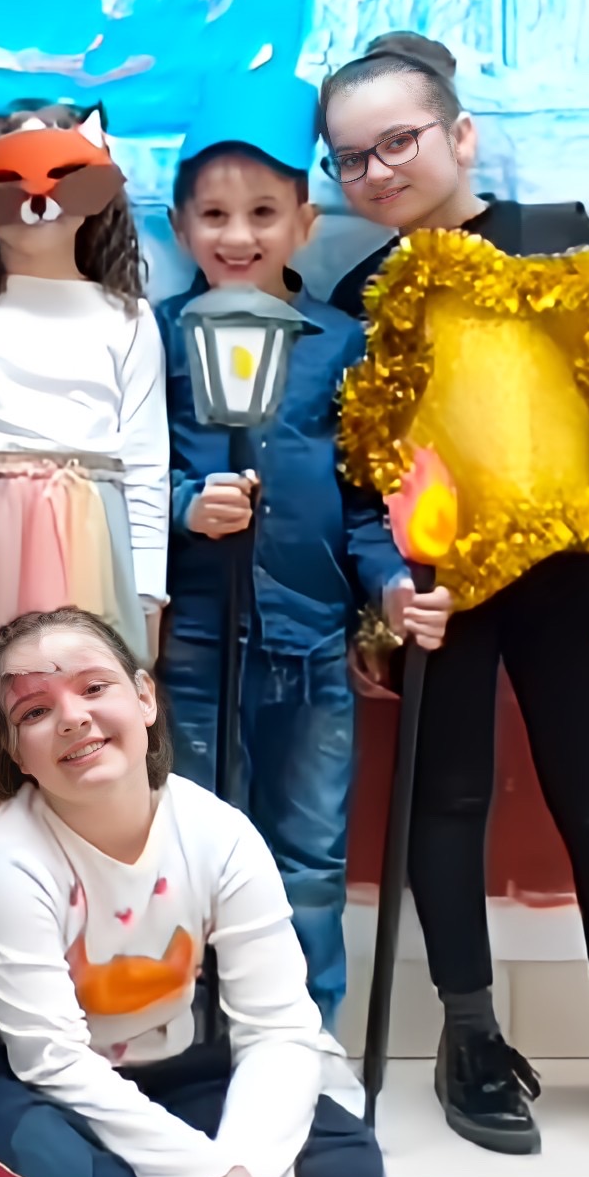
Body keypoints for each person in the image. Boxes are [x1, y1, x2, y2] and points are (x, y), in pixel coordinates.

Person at [322, 31, 589, 1157]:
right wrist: (378, 605)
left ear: (461, 134)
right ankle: (471, 1037)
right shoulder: (361, 296)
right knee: (443, 801)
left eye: (398, 141)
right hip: (441, 594)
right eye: (350, 158)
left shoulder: (560, 240)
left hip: (576, 574)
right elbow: (357, 473)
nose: (377, 171)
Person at [155, 75, 450, 1028]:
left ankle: (305, 1038)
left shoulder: (341, 344)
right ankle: (197, 1033)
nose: (237, 235)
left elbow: (367, 504)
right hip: (196, 647)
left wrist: (392, 588)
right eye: (214, 215)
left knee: (310, 859)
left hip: (313, 646)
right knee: (193, 849)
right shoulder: (159, 338)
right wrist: (185, 507)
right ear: (179, 225)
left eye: (263, 213)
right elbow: (131, 481)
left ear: (305, 222)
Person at [0, 606, 383, 1177]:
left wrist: (245, 1170)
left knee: (346, 1164)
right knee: (80, 1176)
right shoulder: (5, 862)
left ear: (145, 698)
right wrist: (210, 1172)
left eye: (94, 688)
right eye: (36, 712)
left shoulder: (219, 835)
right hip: (24, 1073)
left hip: (171, 1061)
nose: (73, 717)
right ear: (17, 753)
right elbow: (52, 1057)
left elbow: (278, 1029)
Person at [0, 102, 168, 873]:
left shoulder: (129, 319)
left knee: (87, 738)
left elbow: (146, 466)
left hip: (90, 543)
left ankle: (89, 926)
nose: (36, 198)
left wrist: (148, 600)